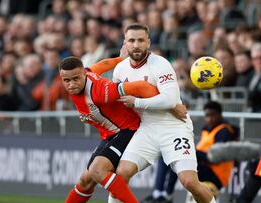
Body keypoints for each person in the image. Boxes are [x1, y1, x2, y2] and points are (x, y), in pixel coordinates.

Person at [111, 23, 215, 203]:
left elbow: (170, 100)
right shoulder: (120, 69)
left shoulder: (161, 64)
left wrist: (136, 102)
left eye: (141, 40)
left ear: (149, 42)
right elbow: (114, 99)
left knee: (189, 182)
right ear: (125, 43)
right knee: (119, 176)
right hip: (146, 129)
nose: (136, 45)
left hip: (173, 127)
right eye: (132, 40)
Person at [60, 54, 182, 203]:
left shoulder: (100, 92)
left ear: (84, 74)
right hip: (110, 134)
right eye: (66, 80)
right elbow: (103, 64)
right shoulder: (83, 73)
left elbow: (141, 86)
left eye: (75, 79)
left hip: (127, 129)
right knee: (86, 180)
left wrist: (171, 105)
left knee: (97, 170)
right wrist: (120, 58)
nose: (71, 84)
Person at [142, 101, 237, 203]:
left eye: (212, 115)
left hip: (216, 174)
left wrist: (193, 152)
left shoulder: (224, 132)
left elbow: (216, 159)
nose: (209, 119)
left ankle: (166, 194)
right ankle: (159, 193)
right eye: (207, 116)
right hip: (205, 167)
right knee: (172, 154)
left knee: (179, 156)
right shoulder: (207, 130)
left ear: (219, 115)